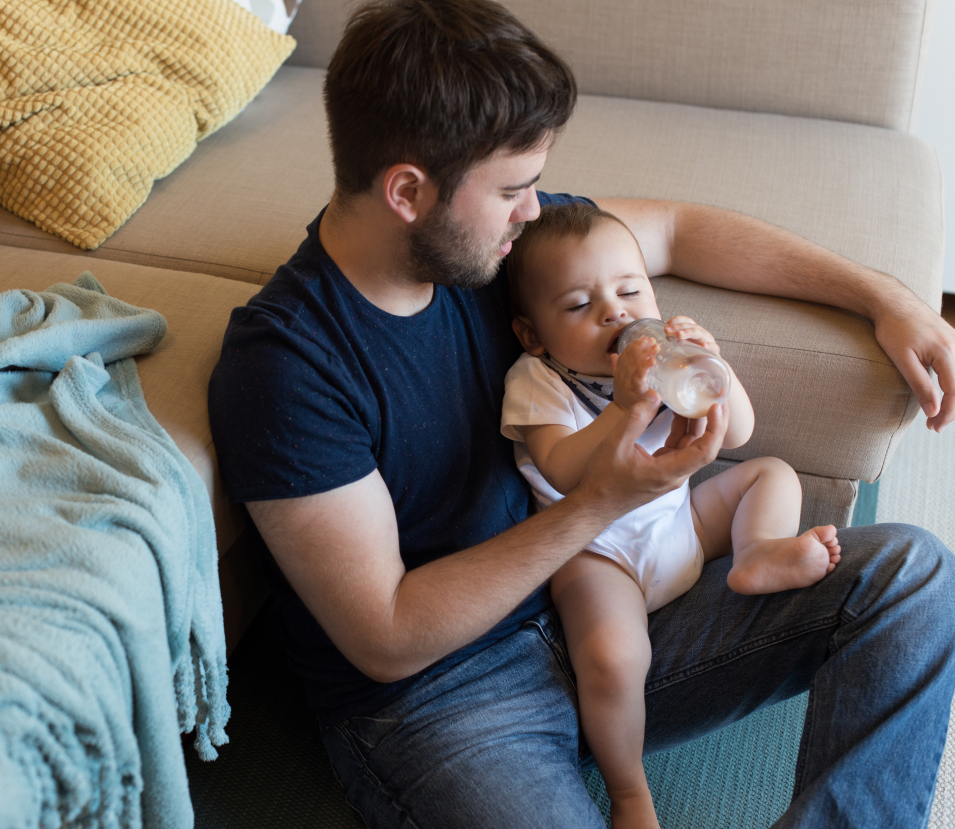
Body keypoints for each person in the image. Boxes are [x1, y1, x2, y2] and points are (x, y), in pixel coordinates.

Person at [206, 0, 955, 825]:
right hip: (448, 694)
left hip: (619, 604)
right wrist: (606, 495)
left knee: (913, 578)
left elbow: (678, 228)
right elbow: (386, 633)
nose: (533, 211)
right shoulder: (286, 366)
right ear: (409, 192)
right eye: (514, 191)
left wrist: (884, 298)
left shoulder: (504, 250)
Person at [500, 202, 842, 828]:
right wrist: (624, 408)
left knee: (772, 473)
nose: (616, 313)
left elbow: (739, 430)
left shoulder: (667, 360)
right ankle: (630, 792)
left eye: (630, 291)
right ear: (533, 334)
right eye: (580, 306)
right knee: (612, 658)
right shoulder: (537, 381)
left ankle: (758, 552)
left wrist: (716, 370)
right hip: (598, 553)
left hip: (680, 520)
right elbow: (563, 469)